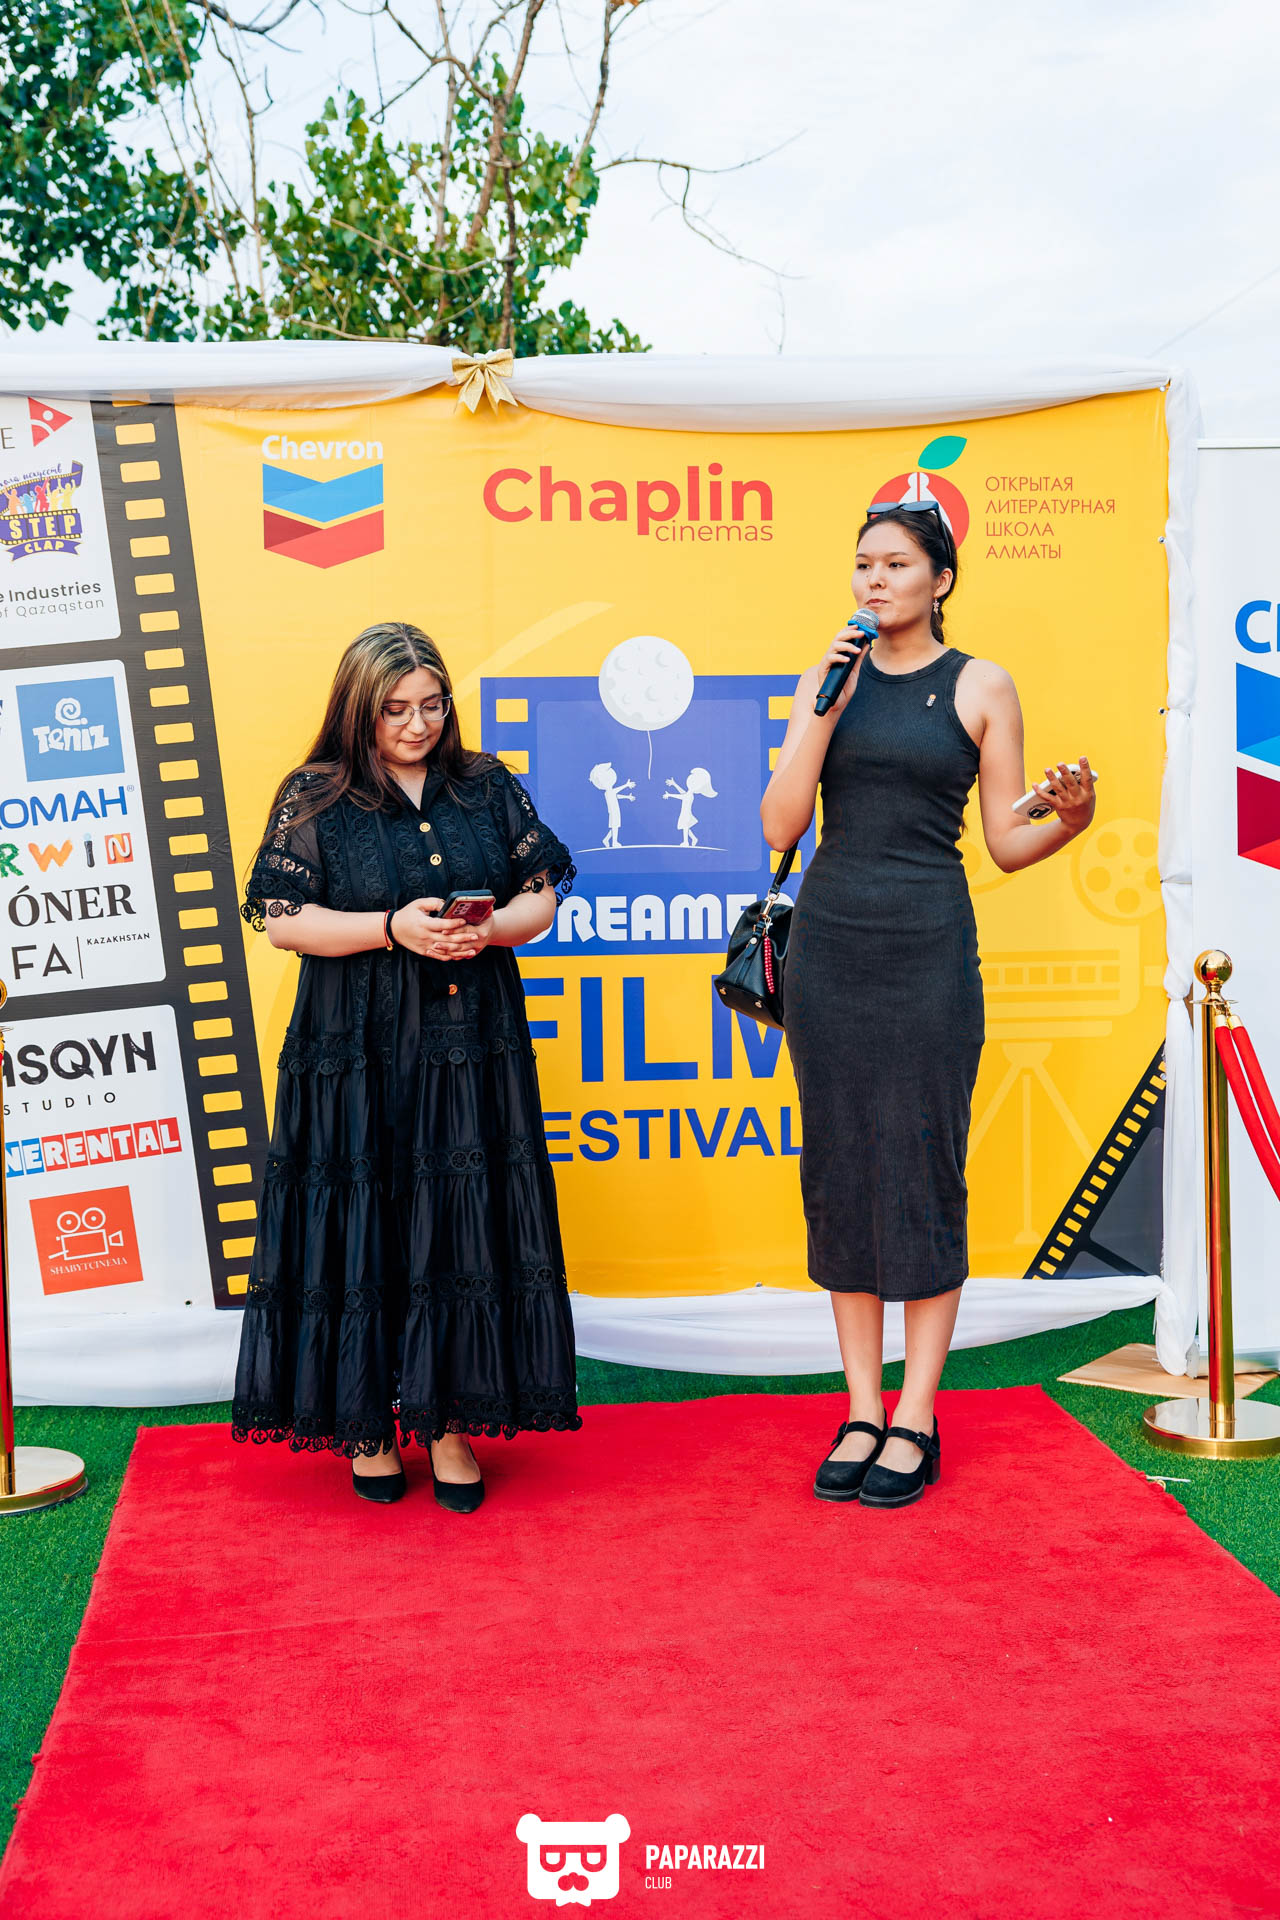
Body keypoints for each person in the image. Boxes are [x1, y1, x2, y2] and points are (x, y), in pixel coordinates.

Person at [761, 501, 1096, 1509]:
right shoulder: (825, 680)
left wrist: (1071, 820)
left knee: (921, 1168)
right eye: (862, 564)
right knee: (839, 1172)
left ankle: (915, 1413)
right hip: (829, 952)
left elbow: (1006, 839)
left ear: (940, 579)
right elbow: (779, 823)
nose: (874, 581)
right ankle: (860, 1408)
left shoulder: (981, 685)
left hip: (927, 951)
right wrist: (823, 707)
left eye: (895, 564)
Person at [231, 621, 582, 1510]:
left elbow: (539, 895)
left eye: (432, 705)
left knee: (455, 1229)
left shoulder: (485, 784)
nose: (419, 724)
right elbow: (283, 920)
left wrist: (484, 931)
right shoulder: (316, 793)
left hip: (468, 1045)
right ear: (359, 708)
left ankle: (448, 1421)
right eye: (396, 709)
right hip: (354, 1049)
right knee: (366, 1221)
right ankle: (369, 1425)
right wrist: (393, 929)